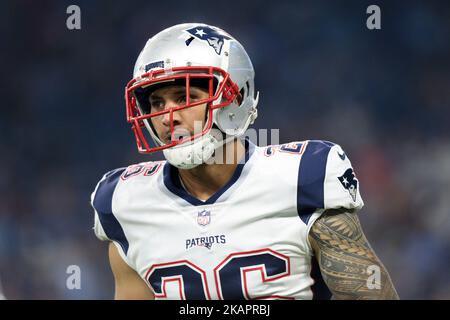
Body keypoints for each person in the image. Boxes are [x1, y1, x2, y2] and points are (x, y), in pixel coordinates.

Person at [90, 23, 398, 300]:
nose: (168, 116)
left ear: (235, 99)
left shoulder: (302, 178)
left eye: (185, 97)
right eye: (157, 102)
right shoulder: (124, 203)